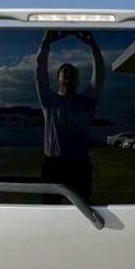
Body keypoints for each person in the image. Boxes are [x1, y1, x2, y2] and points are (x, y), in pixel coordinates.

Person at [35, 30, 105, 199]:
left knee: (83, 208)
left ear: (77, 80)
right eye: (64, 71)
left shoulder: (86, 100)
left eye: (72, 72)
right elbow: (39, 71)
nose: (68, 73)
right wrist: (45, 42)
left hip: (79, 166)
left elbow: (99, 75)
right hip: (53, 166)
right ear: (57, 78)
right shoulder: (49, 100)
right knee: (50, 209)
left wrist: (93, 46)